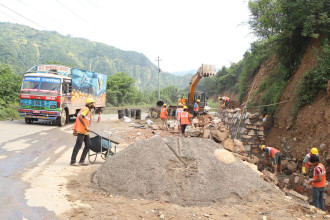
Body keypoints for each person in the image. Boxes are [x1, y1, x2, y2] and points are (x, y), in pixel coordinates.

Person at [70, 98, 95, 166]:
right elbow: (80, 117)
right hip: (82, 130)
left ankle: (82, 161)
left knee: (88, 145)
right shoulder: (86, 109)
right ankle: (72, 161)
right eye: (93, 104)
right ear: (90, 104)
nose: (94, 105)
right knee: (78, 146)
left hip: (85, 131)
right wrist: (86, 127)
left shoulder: (86, 109)